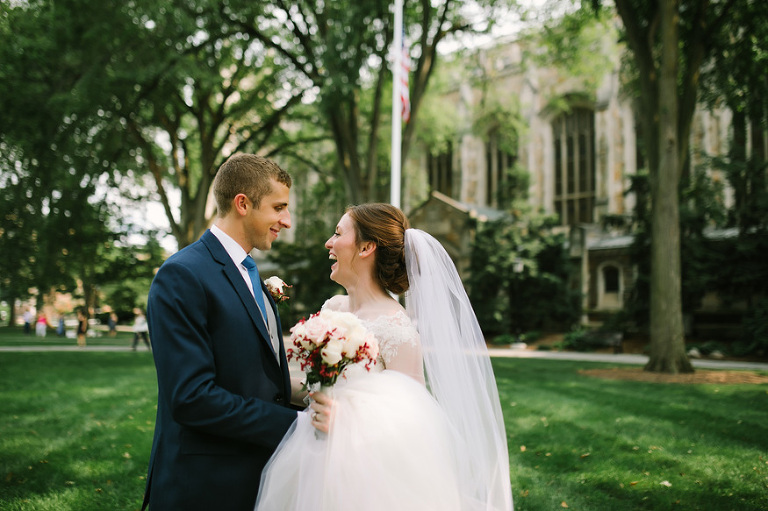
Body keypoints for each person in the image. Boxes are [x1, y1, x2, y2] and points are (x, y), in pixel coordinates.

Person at [256, 203, 513, 511]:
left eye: (338, 233)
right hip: (312, 458)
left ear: (366, 247)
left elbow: (410, 425)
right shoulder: (333, 308)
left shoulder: (396, 328)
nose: (329, 243)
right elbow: (319, 389)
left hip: (364, 479)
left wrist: (344, 419)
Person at [140, 154, 302, 511]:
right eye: (278, 207)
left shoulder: (251, 273)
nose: (286, 221)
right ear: (243, 203)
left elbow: (257, 378)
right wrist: (296, 426)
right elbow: (192, 397)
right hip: (204, 486)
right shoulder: (183, 275)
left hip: (257, 477)